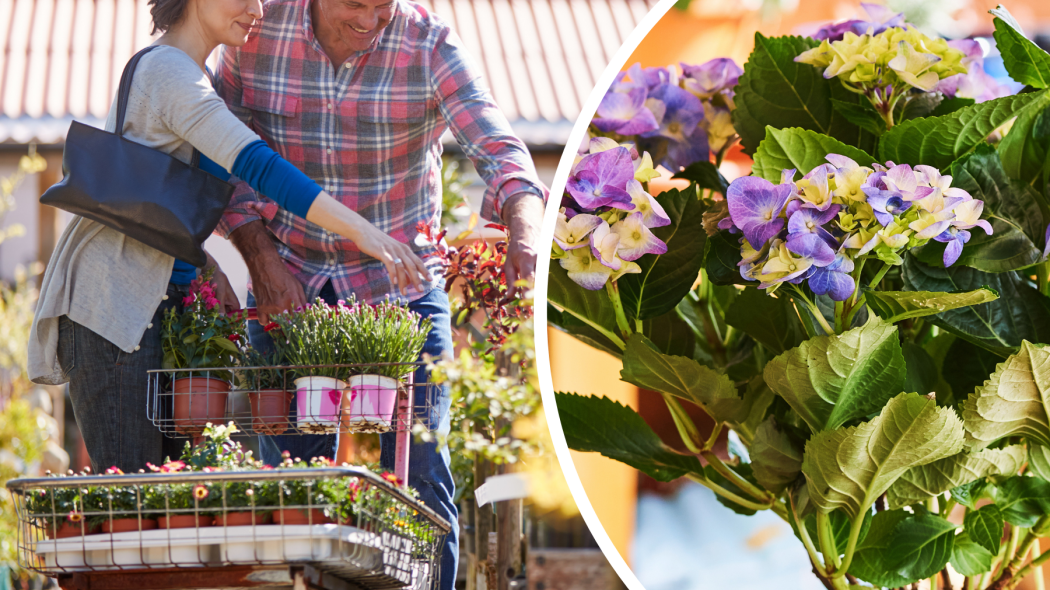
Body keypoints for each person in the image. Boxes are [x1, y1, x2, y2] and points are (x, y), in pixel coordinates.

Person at [211, 0, 547, 587]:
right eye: (354, 5)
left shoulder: (428, 44)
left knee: (420, 474)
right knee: (293, 485)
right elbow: (219, 153)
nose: (369, 20)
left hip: (400, 285)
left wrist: (525, 228)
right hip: (286, 273)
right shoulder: (254, 33)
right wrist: (259, 257)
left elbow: (499, 147)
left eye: (382, 6)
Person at [27, 0, 430, 474]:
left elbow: (161, 204)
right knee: (134, 497)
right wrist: (364, 231)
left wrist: (204, 266)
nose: (258, 8)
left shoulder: (197, 75)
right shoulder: (169, 72)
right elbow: (257, 165)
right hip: (114, 307)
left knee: (175, 499)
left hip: (155, 306)